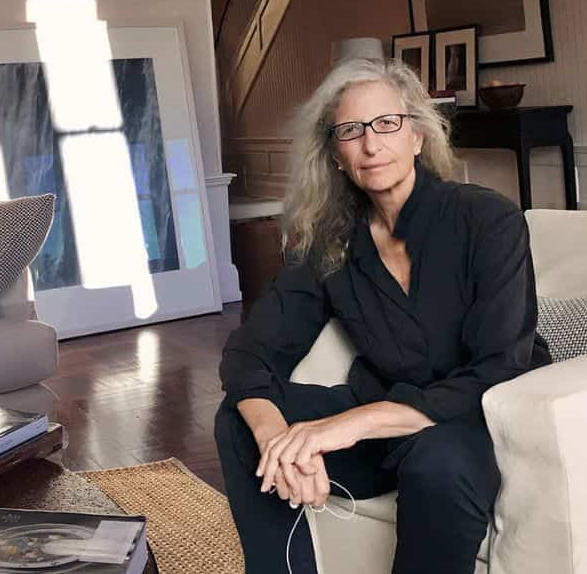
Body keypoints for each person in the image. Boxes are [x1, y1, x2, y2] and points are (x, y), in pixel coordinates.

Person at [215, 57, 551, 574]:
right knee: (240, 418)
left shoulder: (487, 219)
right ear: (336, 154)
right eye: (351, 131)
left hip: (473, 421)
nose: (371, 145)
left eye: (387, 123)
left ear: (417, 136)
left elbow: (498, 369)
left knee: (439, 462)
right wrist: (277, 440)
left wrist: (353, 424)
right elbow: (250, 351)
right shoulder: (330, 239)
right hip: (385, 422)